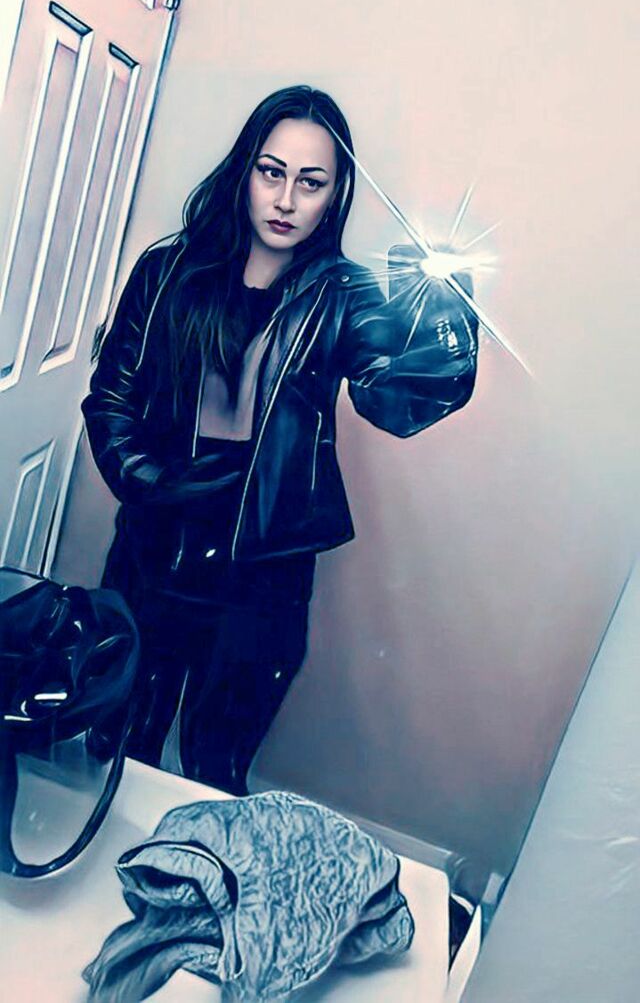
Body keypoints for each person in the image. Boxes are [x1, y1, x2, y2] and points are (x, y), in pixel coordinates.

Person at [82, 84, 478, 796]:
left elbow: (397, 403)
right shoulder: (168, 271)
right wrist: (149, 480)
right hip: (154, 545)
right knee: (118, 743)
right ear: (246, 170)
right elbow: (111, 396)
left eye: (311, 182)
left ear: (335, 193)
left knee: (217, 766)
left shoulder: (345, 294)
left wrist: (448, 316)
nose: (286, 200)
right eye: (272, 172)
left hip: (264, 569)